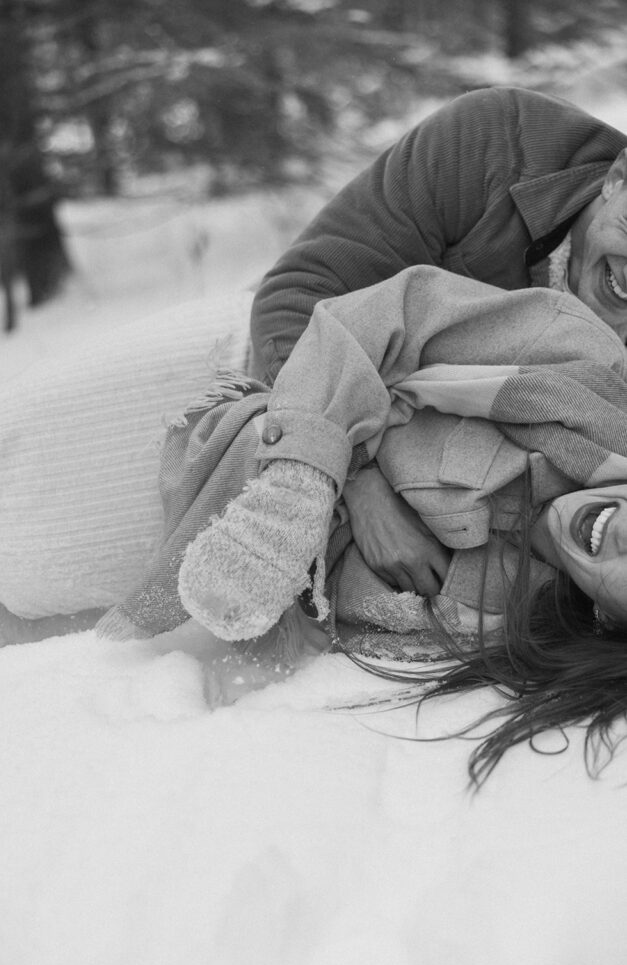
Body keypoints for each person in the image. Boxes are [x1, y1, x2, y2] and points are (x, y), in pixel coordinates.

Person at [97, 265, 627, 784]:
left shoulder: (517, 624)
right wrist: (325, 484)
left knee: (38, 587)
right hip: (247, 381)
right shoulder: (584, 365)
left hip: (206, 542)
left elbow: (341, 609)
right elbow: (383, 316)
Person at [248, 85, 627, 602]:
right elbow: (296, 297)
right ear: (617, 178)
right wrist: (360, 487)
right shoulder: (490, 139)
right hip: (307, 381)